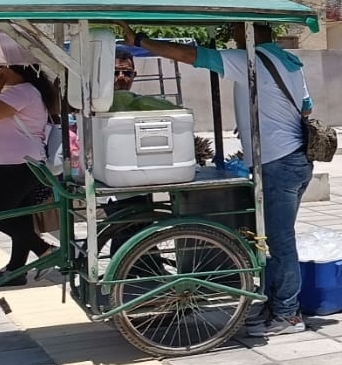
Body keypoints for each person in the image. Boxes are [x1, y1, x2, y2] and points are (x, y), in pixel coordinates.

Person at [118, 21, 314, 337]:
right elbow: (306, 107)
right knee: (276, 240)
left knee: (280, 242)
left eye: (235, 31)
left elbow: (192, 55)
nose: (232, 38)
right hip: (294, 159)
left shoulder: (251, 59)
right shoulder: (289, 62)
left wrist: (142, 41)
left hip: (277, 163)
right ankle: (275, 307)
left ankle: (288, 314)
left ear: (247, 34)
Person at [0, 65, 59, 285]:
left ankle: (45, 251)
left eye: (2, 69)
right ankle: (16, 271)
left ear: (17, 71)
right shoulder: (25, 91)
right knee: (20, 218)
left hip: (19, 165)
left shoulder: (22, 91)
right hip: (20, 165)